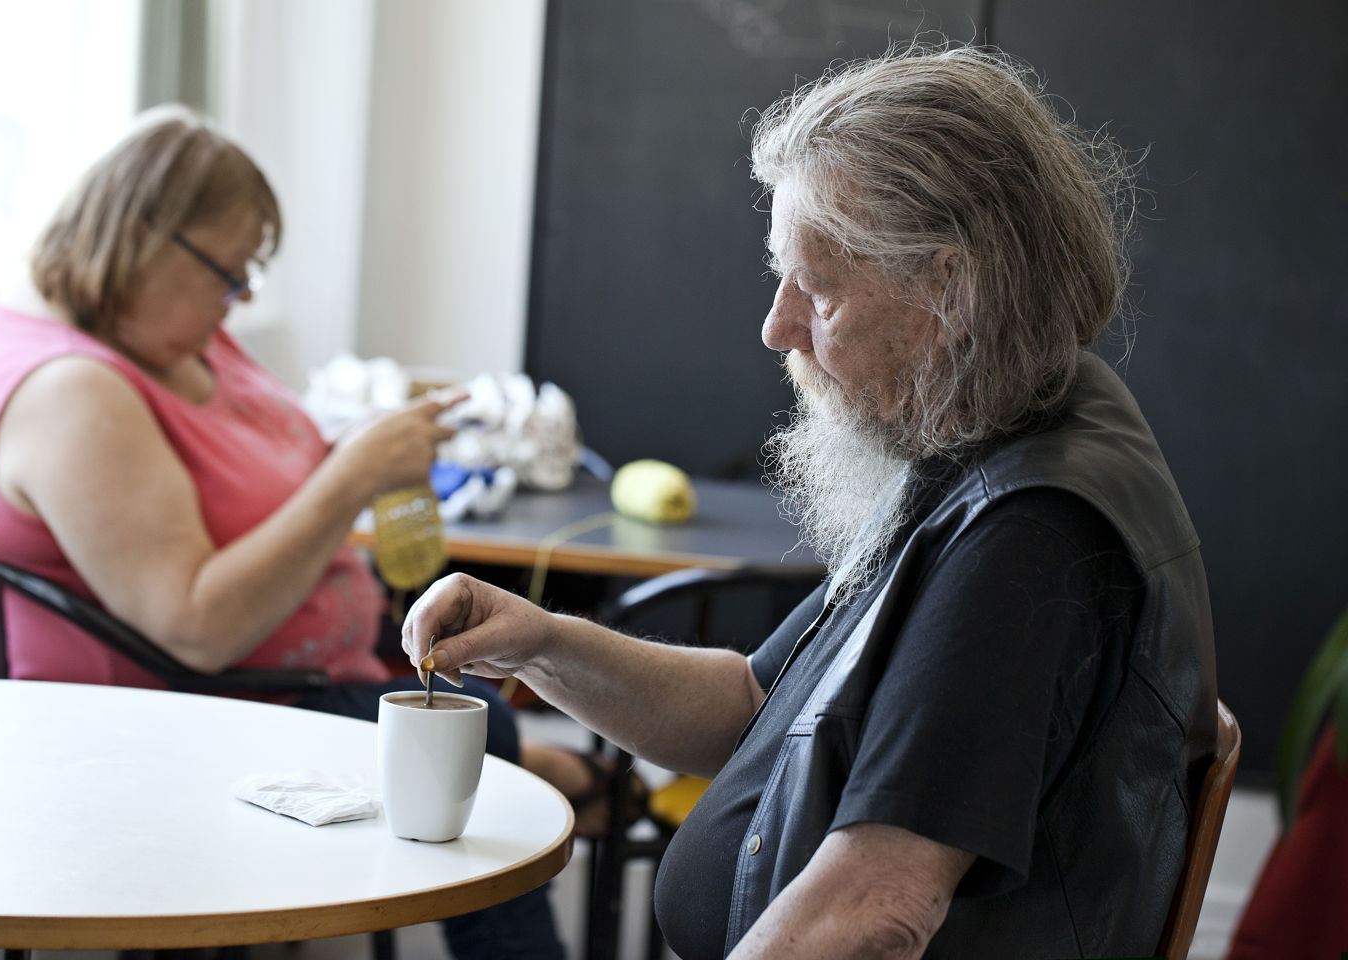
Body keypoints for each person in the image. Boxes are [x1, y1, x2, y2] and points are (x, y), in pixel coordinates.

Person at [401, 43, 1218, 960]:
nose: (776, 325)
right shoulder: (992, 425)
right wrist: (541, 642)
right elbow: (756, 706)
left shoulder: (1027, 534)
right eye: (780, 276)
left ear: (949, 290)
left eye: (817, 291)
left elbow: (878, 910)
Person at [0, 105, 572, 960]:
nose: (246, 298)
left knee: (481, 725)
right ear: (145, 240)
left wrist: (360, 451)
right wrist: (353, 476)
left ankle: (555, 778)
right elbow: (196, 627)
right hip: (181, 722)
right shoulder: (69, 396)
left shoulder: (159, 333)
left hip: (282, 683)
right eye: (233, 272)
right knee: (481, 737)